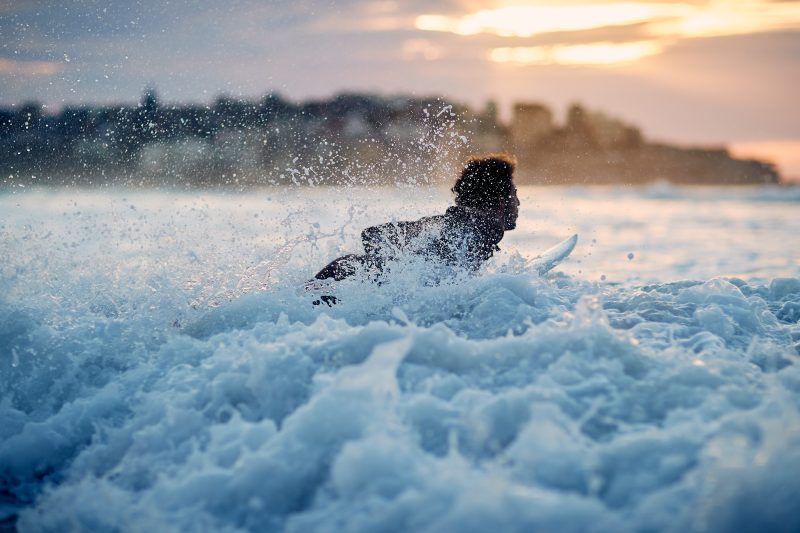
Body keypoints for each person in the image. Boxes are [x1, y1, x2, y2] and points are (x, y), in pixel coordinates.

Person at [309, 154, 519, 302]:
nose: (517, 203)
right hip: (342, 282)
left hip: (339, 282)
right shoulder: (474, 233)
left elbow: (372, 234)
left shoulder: (450, 224)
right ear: (502, 200)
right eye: (514, 194)